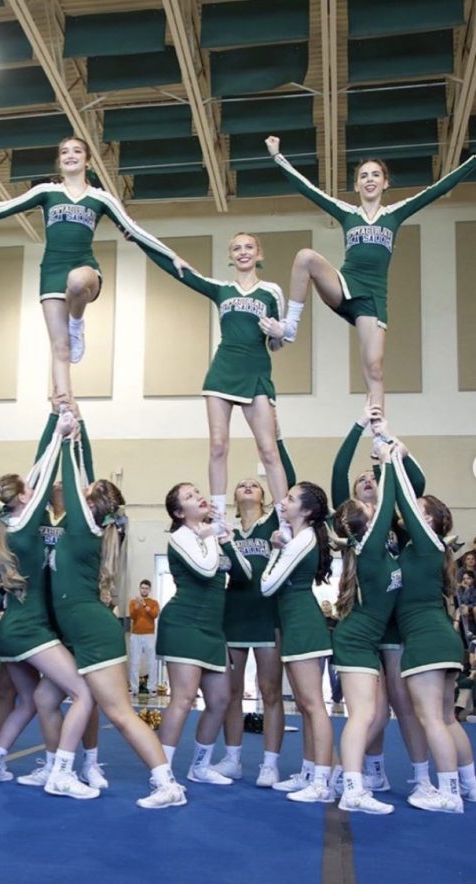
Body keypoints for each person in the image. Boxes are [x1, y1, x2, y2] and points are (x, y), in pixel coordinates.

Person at [0, 137, 182, 402]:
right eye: (64, 152)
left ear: (87, 160)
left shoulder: (100, 198)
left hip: (85, 269)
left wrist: (171, 254)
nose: (70, 155)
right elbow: (7, 206)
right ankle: (63, 405)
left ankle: (76, 322)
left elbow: (132, 228)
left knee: (76, 281)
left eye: (77, 151)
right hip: (51, 271)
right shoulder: (46, 192)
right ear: (59, 162)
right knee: (60, 349)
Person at [265, 134, 476, 409]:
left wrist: (473, 160)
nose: (370, 179)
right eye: (364, 175)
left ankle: (378, 432)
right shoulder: (347, 212)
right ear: (356, 185)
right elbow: (308, 190)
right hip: (344, 285)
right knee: (305, 257)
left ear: (385, 182)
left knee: (374, 368)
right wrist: (276, 156)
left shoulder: (395, 214)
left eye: (376, 174)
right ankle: (289, 328)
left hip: (373, 299)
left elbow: (438, 188)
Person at [49, 432, 185, 809]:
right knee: (68, 699)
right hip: (85, 629)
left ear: (88, 502)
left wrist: (63, 441)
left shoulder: (80, 525)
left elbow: (73, 475)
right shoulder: (91, 524)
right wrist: (80, 431)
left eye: (86, 490)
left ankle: (167, 784)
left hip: (93, 631)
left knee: (122, 715)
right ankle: (60, 769)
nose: (78, 488)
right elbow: (85, 472)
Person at [0, 416, 99, 799]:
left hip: (19, 626)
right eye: (30, 488)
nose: (35, 487)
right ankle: (61, 772)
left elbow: (38, 467)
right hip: (30, 628)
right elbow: (44, 467)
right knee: (83, 692)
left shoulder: (16, 520)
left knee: (29, 702)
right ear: (24, 496)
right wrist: (61, 437)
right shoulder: (26, 522)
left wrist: (56, 419)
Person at [144, 233, 288, 525]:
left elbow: (277, 344)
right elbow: (181, 270)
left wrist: (278, 333)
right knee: (218, 445)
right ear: (230, 256)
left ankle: (287, 519)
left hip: (257, 373)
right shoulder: (222, 289)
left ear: (259, 254)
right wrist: (141, 241)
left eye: (249, 247)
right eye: (237, 248)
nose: (243, 252)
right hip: (222, 372)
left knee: (269, 449)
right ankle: (219, 517)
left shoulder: (271, 292)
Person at [389, 444, 476, 812]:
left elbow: (406, 498)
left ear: (429, 521)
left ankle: (448, 793)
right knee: (445, 718)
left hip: (426, 641)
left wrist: (392, 459)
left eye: (417, 511)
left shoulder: (425, 543)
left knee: (430, 720)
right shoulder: (424, 547)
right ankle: (470, 784)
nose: (406, 513)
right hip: (442, 639)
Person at [216, 429, 296, 787]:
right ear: (232, 497)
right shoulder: (225, 528)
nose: (247, 485)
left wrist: (274, 440)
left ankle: (270, 764)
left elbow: (286, 480)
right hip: (233, 613)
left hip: (267, 614)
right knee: (230, 692)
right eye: (241, 484)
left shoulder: (275, 523)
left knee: (271, 691)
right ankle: (232, 758)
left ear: (266, 497)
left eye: (254, 484)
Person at [157, 482, 250, 787]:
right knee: (183, 700)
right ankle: (162, 773)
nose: (198, 497)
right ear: (178, 512)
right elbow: (208, 569)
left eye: (197, 492)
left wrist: (229, 541)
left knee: (221, 699)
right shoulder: (181, 536)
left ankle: (200, 765)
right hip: (184, 624)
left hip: (212, 628)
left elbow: (244, 573)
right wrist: (211, 534)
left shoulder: (209, 536)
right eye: (189, 496)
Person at [331, 441, 399, 814]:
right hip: (356, 639)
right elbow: (388, 500)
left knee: (377, 714)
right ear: (365, 521)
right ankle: (352, 788)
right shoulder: (370, 543)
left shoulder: (379, 546)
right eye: (366, 508)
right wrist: (387, 461)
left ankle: (344, 775)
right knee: (363, 715)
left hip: (367, 640)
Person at [261, 482, 334, 803]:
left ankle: (322, 780)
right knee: (305, 706)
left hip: (304, 626)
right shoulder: (299, 537)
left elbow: (267, 585)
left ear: (306, 511)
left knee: (314, 705)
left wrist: (276, 549)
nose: (283, 502)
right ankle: (308, 771)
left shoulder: (303, 539)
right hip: (294, 624)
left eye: (290, 499)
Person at [128, 580, 159, 695]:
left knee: (152, 661)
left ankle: (152, 687)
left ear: (149, 590)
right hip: (135, 635)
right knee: (135, 662)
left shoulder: (154, 602)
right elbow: (132, 616)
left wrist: (144, 605)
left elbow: (154, 615)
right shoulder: (133, 602)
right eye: (142, 588)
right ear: (139, 589)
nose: (144, 590)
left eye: (146, 588)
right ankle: (134, 687)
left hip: (149, 635)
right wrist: (137, 605)